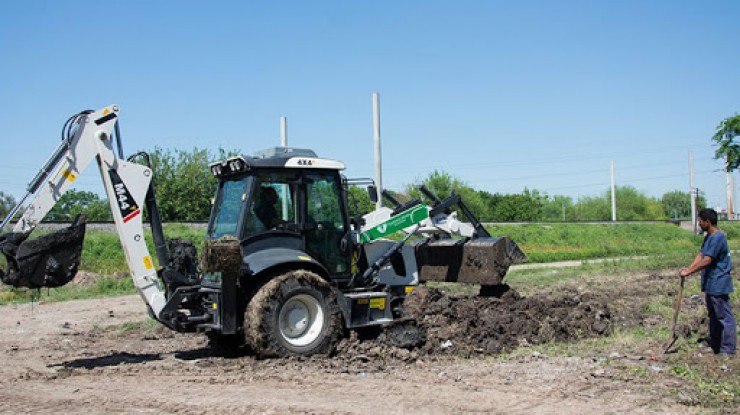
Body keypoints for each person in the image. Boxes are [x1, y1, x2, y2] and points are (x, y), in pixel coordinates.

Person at [679, 208, 736, 358]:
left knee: (724, 316)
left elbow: (707, 260)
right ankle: (715, 342)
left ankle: (728, 349)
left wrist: (689, 272)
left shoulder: (718, 237)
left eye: (700, 221)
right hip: (711, 283)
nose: (698, 223)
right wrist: (689, 268)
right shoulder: (709, 237)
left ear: (708, 222)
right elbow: (701, 254)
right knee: (713, 314)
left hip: (719, 282)